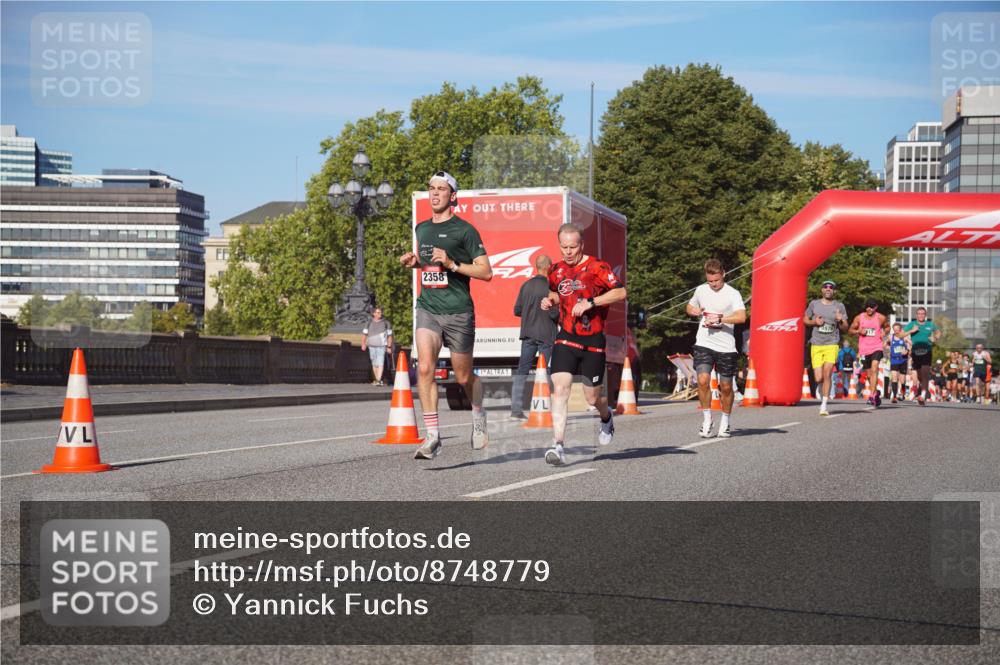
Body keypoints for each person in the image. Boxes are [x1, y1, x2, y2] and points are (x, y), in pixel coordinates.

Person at [399, 171, 493, 460]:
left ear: (453, 196)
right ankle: (433, 436)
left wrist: (452, 263)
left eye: (441, 189)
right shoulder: (421, 229)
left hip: (458, 312)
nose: (435, 193)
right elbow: (429, 265)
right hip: (428, 307)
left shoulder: (465, 231)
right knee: (425, 368)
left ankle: (478, 416)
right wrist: (415, 263)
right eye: (431, 188)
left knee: (463, 376)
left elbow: (485, 272)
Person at [540, 223, 626, 465]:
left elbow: (620, 292)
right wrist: (549, 301)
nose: (568, 251)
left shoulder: (597, 267)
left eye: (573, 247)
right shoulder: (555, 270)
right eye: (564, 246)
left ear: (582, 245)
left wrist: (591, 301)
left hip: (593, 340)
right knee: (561, 389)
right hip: (566, 336)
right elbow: (557, 293)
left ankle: (606, 416)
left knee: (591, 398)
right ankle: (558, 445)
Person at [686, 259, 747, 437]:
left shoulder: (733, 293)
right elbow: (689, 306)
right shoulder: (701, 290)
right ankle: (707, 419)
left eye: (716, 281)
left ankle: (726, 421)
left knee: (726, 387)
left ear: (724, 274)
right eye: (710, 281)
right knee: (703, 381)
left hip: (726, 347)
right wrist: (693, 311)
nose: (713, 284)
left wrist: (721, 320)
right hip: (704, 343)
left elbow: (742, 316)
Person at [510, 254, 558, 419]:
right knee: (545, 372)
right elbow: (555, 314)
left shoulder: (526, 285)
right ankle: (544, 408)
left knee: (522, 371)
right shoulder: (552, 288)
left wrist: (529, 312)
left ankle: (516, 409)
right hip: (546, 335)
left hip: (528, 334)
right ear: (548, 267)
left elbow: (517, 310)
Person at [804, 280, 848, 416]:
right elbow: (805, 320)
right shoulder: (814, 304)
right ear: (822, 290)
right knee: (818, 378)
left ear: (834, 291)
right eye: (826, 287)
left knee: (828, 373)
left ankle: (824, 405)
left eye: (831, 287)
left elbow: (845, 327)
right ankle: (820, 386)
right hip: (816, 344)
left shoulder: (839, 306)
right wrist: (814, 322)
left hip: (832, 343)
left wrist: (841, 320)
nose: (828, 289)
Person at [849, 298, 890, 407]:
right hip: (864, 349)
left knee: (875, 368)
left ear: (876, 307)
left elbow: (887, 327)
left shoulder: (881, 318)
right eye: (867, 306)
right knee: (868, 375)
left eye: (871, 307)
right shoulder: (859, 317)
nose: (869, 309)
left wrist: (884, 333)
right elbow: (850, 331)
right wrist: (858, 331)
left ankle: (871, 395)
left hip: (877, 347)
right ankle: (876, 392)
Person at [901, 307, 941, 406]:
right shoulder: (912, 324)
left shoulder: (930, 324)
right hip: (915, 353)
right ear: (916, 315)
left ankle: (923, 395)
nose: (921, 315)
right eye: (919, 313)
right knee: (919, 375)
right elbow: (900, 334)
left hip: (927, 351)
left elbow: (938, 332)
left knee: (925, 373)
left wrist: (935, 338)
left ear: (925, 315)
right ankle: (923, 390)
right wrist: (911, 331)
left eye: (923, 314)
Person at [361, 307, 393, 386]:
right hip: (371, 346)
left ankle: (378, 380)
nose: (380, 314)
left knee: (380, 363)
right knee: (374, 364)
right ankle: (376, 379)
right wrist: (363, 343)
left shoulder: (386, 323)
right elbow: (364, 334)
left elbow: (390, 336)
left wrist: (389, 346)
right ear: (374, 314)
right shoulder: (369, 323)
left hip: (381, 346)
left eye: (380, 312)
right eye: (378, 312)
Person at [886, 322, 911, 403]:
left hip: (903, 360)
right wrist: (888, 349)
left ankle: (903, 393)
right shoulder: (890, 337)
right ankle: (894, 396)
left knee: (902, 380)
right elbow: (885, 344)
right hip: (894, 360)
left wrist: (907, 350)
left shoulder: (904, 337)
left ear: (901, 329)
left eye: (898, 329)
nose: (896, 331)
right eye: (895, 329)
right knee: (894, 377)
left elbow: (911, 345)